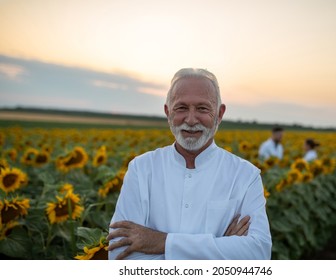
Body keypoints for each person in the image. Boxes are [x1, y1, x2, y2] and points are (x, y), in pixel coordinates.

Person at [107, 68, 272, 260]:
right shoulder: (141, 169)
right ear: (168, 112)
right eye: (181, 108)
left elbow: (258, 254)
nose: (191, 119)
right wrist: (221, 248)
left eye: (202, 108)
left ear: (219, 114)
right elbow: (121, 256)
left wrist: (162, 242)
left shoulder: (246, 176)